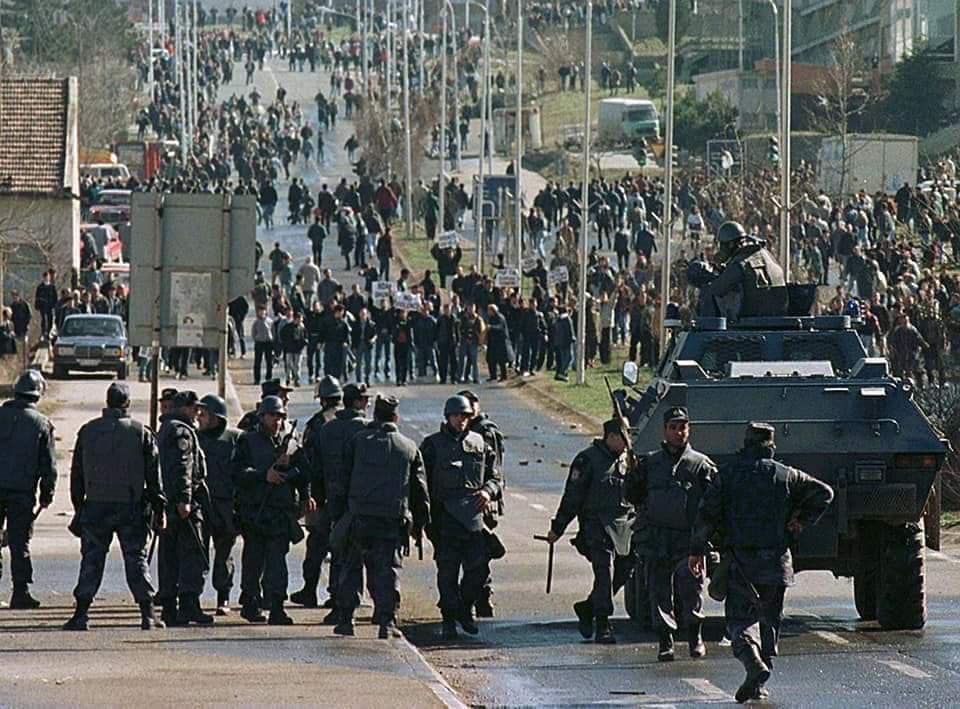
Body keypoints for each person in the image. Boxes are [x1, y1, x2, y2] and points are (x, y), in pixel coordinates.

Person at [689, 423, 834, 703]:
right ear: (771, 446)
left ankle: (753, 665)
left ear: (746, 444)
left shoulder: (727, 475)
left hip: (741, 562)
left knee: (740, 622)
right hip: (777, 563)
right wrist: (801, 521)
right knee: (769, 622)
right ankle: (760, 678)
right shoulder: (787, 475)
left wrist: (696, 550)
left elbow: (706, 514)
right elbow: (824, 493)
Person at [63, 383, 165, 630]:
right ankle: (147, 614)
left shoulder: (88, 431)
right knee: (136, 559)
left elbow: (76, 474)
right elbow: (154, 477)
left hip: (96, 506)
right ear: (127, 403)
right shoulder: (141, 432)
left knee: (91, 560)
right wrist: (159, 508)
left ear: (107, 402)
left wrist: (79, 507)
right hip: (131, 506)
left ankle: (81, 614)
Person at [331, 395, 430, 639]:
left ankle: (346, 619)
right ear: (396, 417)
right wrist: (420, 524)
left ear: (374, 415)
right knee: (388, 571)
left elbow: (341, 482)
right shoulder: (408, 447)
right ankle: (387, 622)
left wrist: (338, 516)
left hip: (359, 518)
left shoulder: (357, 441)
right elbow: (419, 490)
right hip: (391, 521)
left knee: (351, 568)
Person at [625, 407, 716, 661]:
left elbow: (714, 504)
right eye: (673, 428)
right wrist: (631, 475)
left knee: (691, 588)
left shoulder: (701, 465)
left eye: (682, 427)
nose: (678, 432)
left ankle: (695, 637)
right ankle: (665, 641)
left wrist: (705, 540)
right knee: (658, 591)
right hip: (656, 538)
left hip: (689, 540)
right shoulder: (650, 463)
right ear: (664, 431)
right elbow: (633, 497)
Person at [420, 396, 502, 639]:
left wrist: (488, 492)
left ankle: (465, 608)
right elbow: (420, 481)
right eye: (457, 416)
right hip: (444, 519)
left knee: (478, 570)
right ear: (448, 417)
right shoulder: (432, 445)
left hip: (473, 519)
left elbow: (495, 476)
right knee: (447, 573)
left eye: (465, 416)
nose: (461, 420)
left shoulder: (479, 443)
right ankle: (448, 618)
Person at [547, 417, 634, 644]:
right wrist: (558, 527)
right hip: (596, 525)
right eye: (623, 439)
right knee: (604, 572)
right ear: (611, 437)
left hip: (624, 526)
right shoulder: (587, 460)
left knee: (624, 571)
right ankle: (603, 624)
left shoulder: (627, 460)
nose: (627, 444)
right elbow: (572, 497)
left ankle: (588, 607)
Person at [232, 395, 310, 625]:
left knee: (277, 563)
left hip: (280, 512)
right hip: (255, 512)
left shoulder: (290, 441)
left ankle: (277, 607)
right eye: (272, 416)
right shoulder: (248, 441)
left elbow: (305, 472)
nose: (277, 421)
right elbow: (236, 473)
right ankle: (250, 602)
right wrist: (263, 476)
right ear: (262, 417)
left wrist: (304, 493)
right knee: (253, 561)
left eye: (280, 417)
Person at [300, 383, 370, 623]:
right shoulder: (367, 429)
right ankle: (344, 601)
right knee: (352, 552)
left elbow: (313, 465)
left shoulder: (323, 427)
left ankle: (328, 596)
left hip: (332, 499)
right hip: (359, 500)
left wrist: (316, 498)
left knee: (330, 547)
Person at [0, 370, 57, 608]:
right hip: (22, 492)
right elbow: (48, 465)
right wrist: (47, 494)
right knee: (19, 542)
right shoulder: (42, 423)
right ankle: (20, 592)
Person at [156, 390, 212, 626]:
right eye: (194, 408)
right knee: (192, 555)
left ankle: (170, 609)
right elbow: (183, 466)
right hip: (182, 505)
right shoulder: (182, 431)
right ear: (185, 408)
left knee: (169, 557)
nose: (198, 413)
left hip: (167, 502)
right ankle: (189, 606)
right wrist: (185, 499)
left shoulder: (165, 429)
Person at [289, 375, 342, 610]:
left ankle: (309, 590)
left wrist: (307, 493)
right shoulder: (351, 422)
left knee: (317, 545)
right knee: (341, 546)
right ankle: (337, 594)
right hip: (344, 496)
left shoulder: (316, 424)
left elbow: (307, 462)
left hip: (320, 496)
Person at [458, 389, 505, 617]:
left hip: (483, 501)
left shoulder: (485, 431)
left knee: (481, 552)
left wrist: (490, 495)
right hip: (461, 503)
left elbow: (494, 470)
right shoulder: (460, 430)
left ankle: (482, 594)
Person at [196, 394, 241, 616]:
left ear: (216, 417)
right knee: (197, 553)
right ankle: (192, 599)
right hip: (201, 506)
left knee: (224, 555)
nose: (199, 417)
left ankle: (223, 597)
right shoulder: (194, 438)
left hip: (225, 506)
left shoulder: (234, 439)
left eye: (204, 414)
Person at [705, 221, 787, 320]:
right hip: (778, 316)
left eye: (722, 245)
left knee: (706, 292)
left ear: (731, 244)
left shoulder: (740, 263)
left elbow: (717, 289)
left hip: (753, 320)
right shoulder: (766, 254)